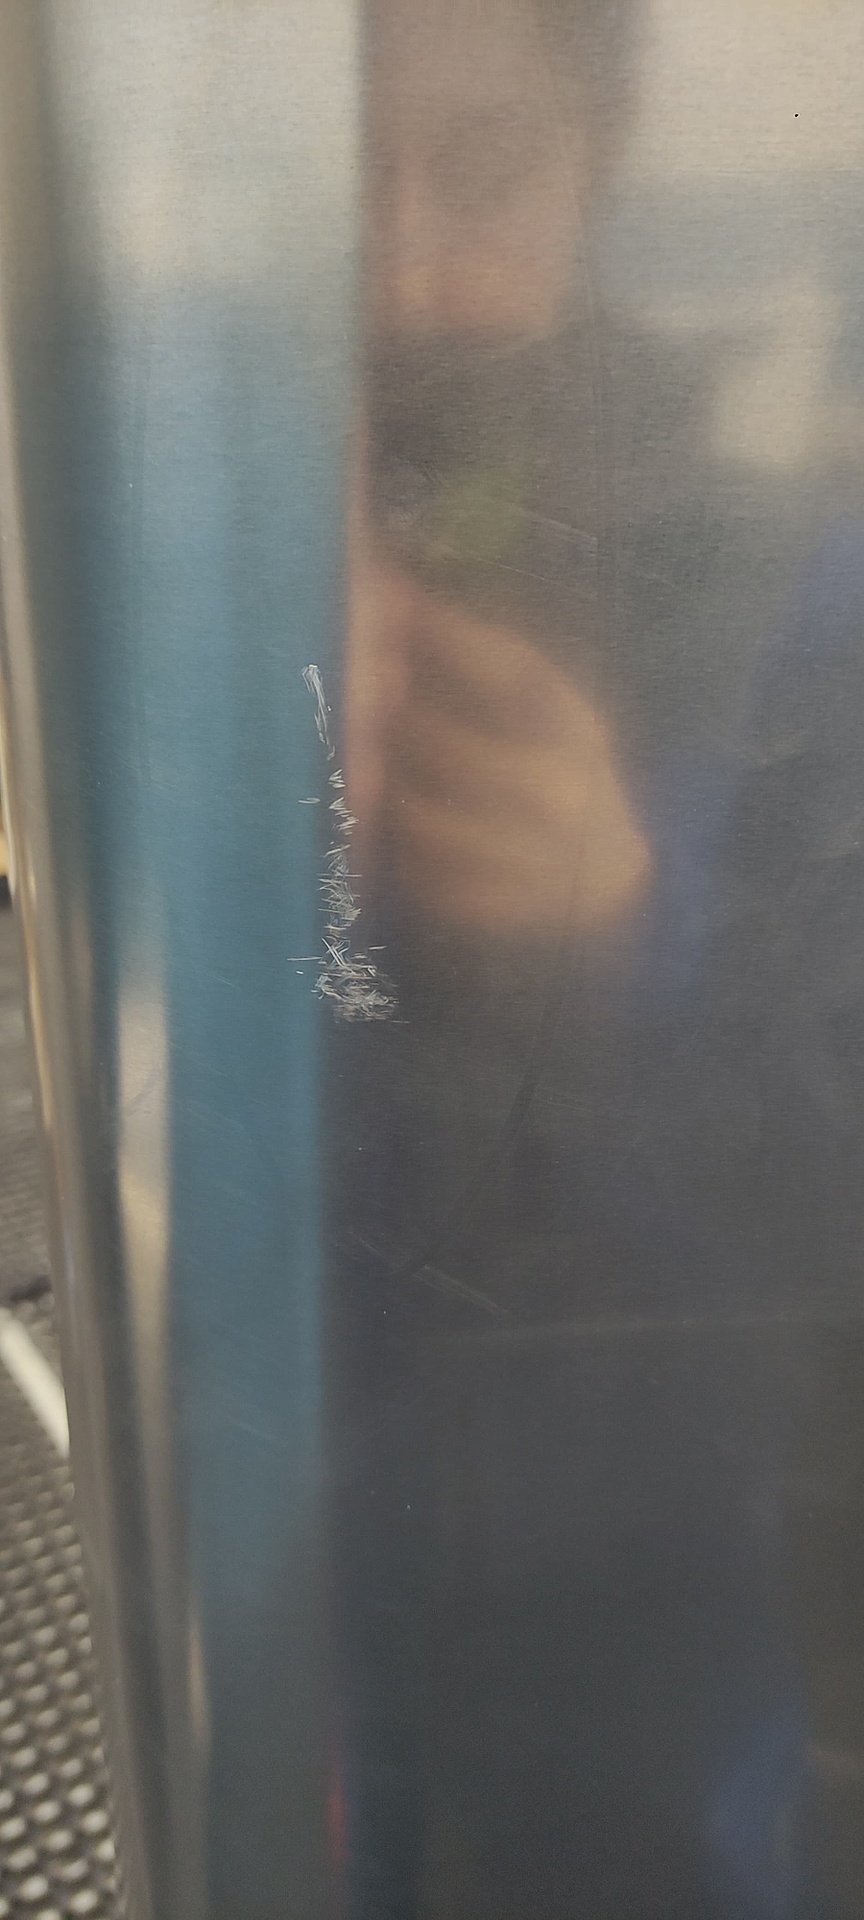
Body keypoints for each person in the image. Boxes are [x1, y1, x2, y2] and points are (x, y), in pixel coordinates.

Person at [324, 3, 851, 1915]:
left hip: (643, 1556)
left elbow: (831, 1205)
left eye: (481, 171)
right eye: (327, 182)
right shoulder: (172, 554)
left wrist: (622, 944)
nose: (399, 267)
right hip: (268, 1515)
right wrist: (270, 786)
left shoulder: (785, 584)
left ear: (601, 164)